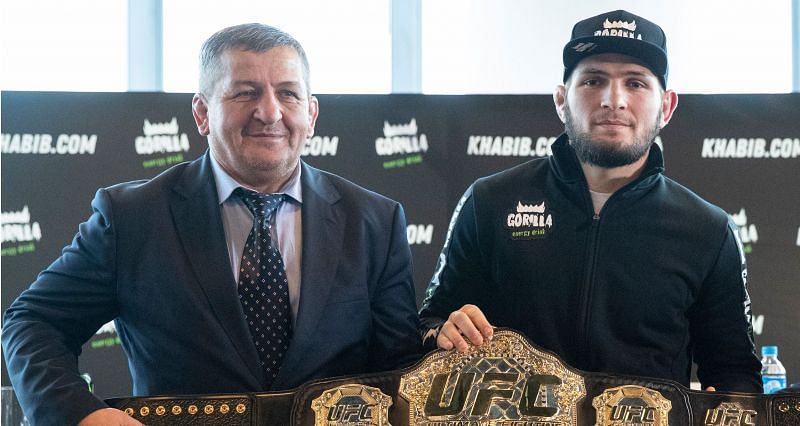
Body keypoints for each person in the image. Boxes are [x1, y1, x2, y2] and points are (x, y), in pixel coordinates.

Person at [2, 23, 420, 425]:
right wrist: (79, 413)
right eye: (246, 93)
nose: (269, 112)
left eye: (288, 94)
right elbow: (33, 322)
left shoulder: (375, 222)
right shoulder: (132, 217)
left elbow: (401, 371)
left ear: (311, 114)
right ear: (202, 113)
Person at [419, 10, 762, 393]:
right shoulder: (489, 203)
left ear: (666, 106)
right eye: (593, 80)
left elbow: (735, 375)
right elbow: (427, 325)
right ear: (561, 100)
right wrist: (441, 333)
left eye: (635, 83)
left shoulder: (708, 231)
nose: (613, 100)